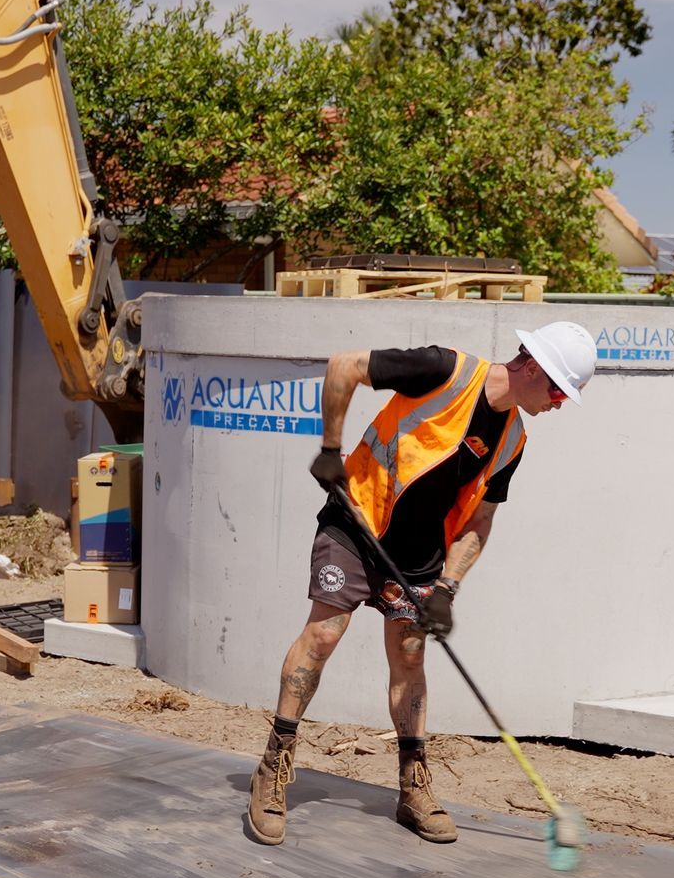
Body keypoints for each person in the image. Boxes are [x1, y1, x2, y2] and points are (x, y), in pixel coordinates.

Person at [243, 320, 597, 846]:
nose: (558, 404)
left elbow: (480, 520)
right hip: (356, 521)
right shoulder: (445, 370)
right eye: (559, 391)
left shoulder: (512, 441)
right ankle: (273, 766)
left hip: (417, 556)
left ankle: (413, 786)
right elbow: (344, 366)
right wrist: (330, 448)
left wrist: (449, 588)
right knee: (323, 635)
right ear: (533, 367)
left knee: (410, 656)